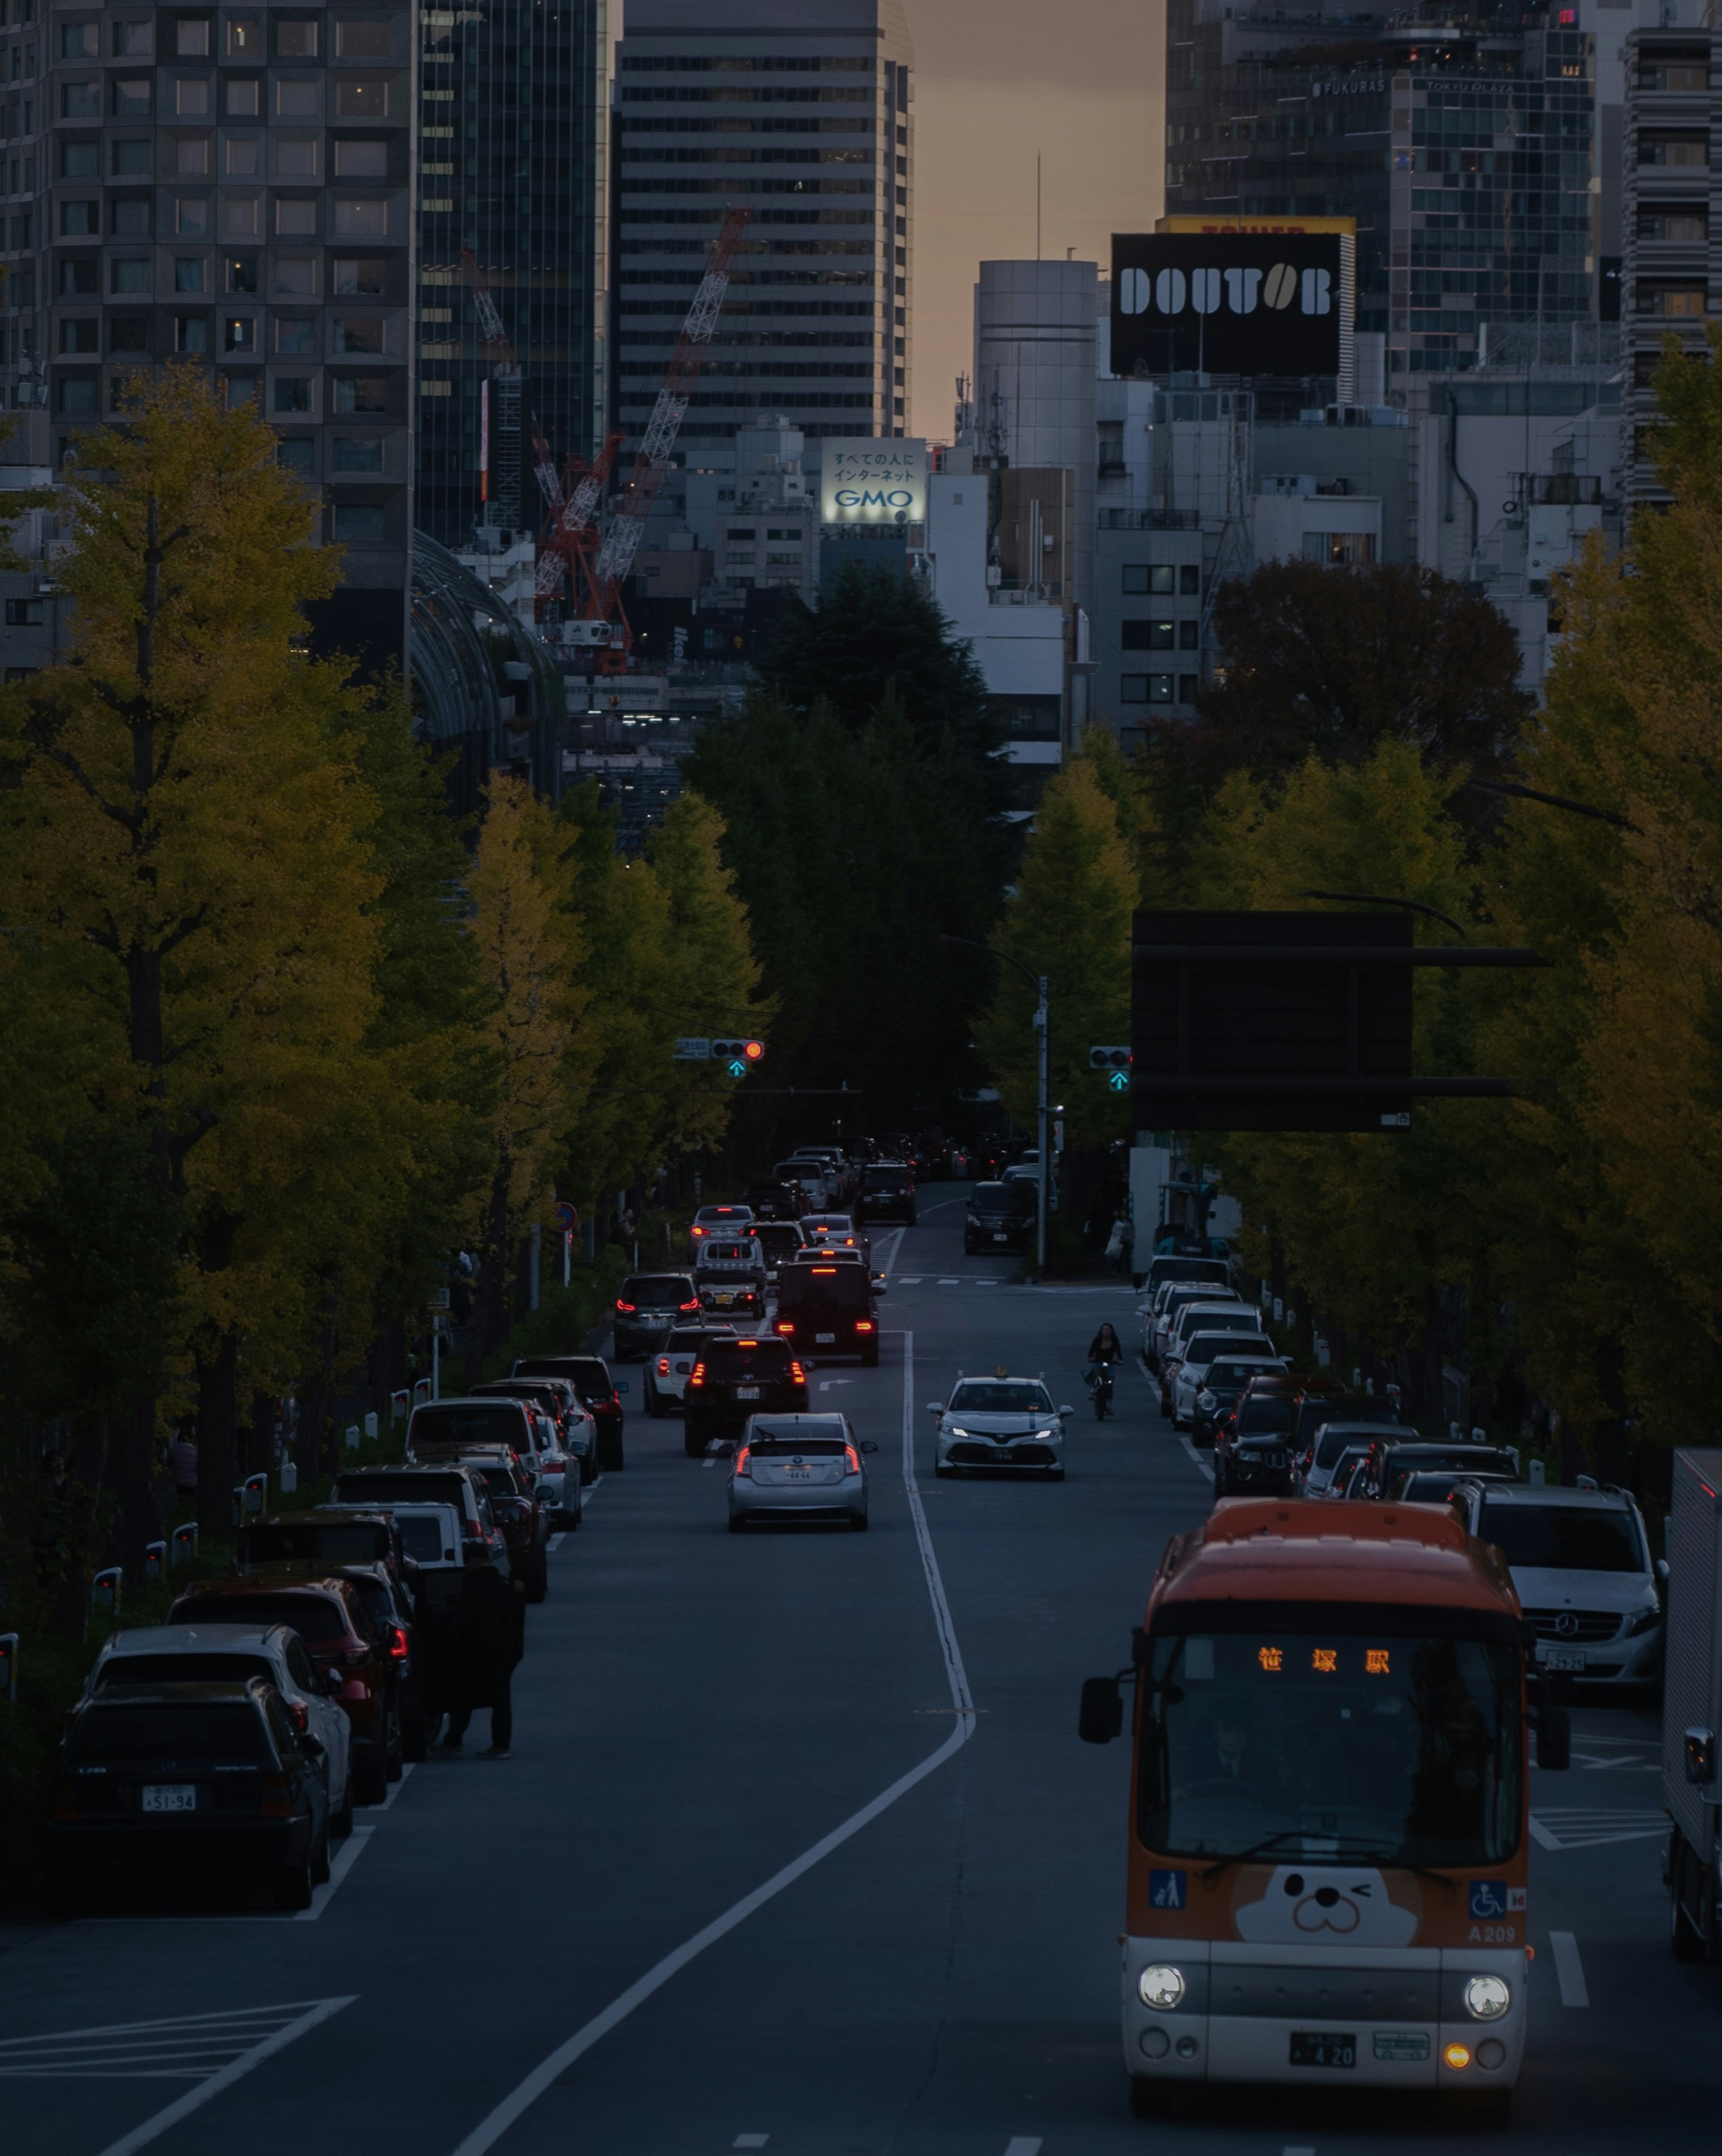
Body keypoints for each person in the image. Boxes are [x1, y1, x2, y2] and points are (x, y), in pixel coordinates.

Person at [441, 1561, 524, 1760]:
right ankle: (501, 1744)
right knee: (501, 1699)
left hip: (475, 1650)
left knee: (462, 1696)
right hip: (503, 1650)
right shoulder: (504, 1584)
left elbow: (466, 1620)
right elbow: (516, 1616)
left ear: (472, 1561)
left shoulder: (471, 1586)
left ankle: (454, 1742)